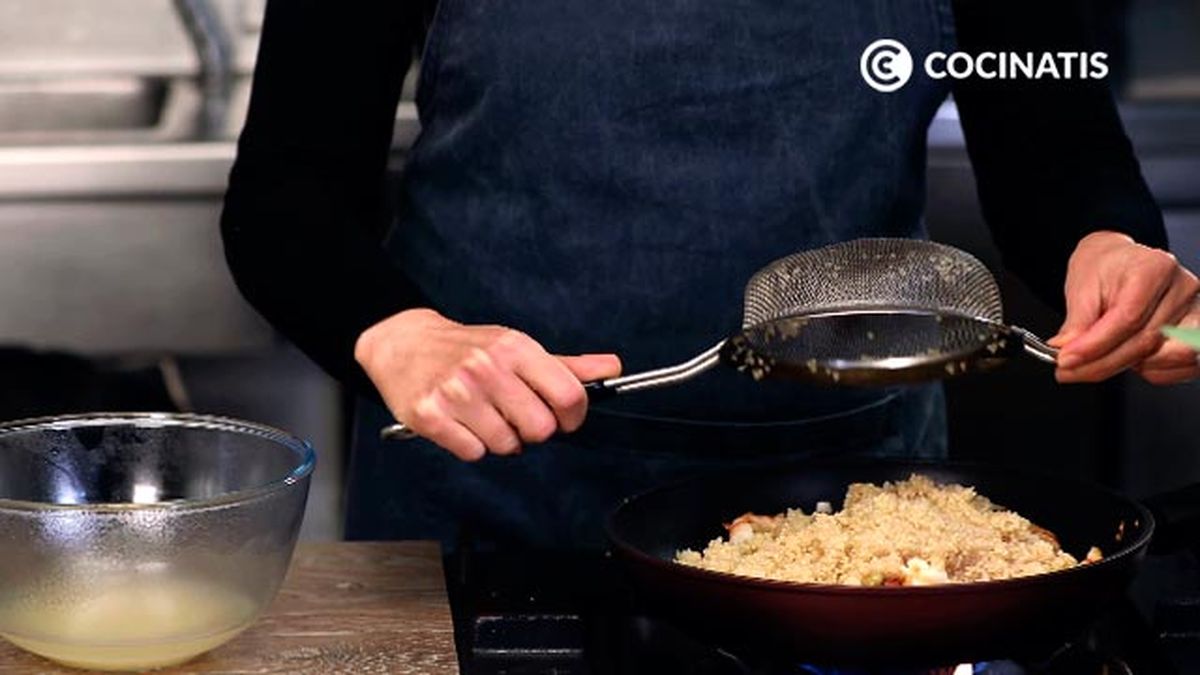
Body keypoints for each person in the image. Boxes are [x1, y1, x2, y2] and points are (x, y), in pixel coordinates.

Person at [221, 0, 1200, 549]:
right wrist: (397, 331)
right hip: (488, 494)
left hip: (854, 515)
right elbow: (284, 195)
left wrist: (1103, 239)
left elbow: (1050, 130)